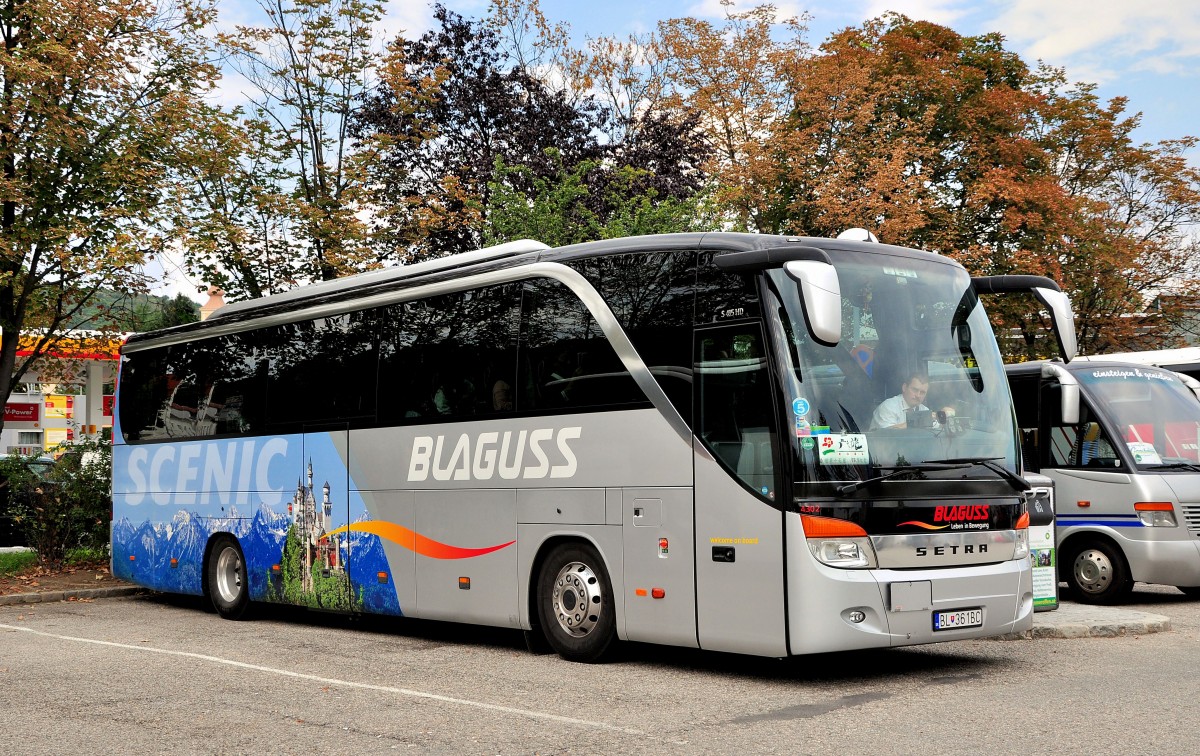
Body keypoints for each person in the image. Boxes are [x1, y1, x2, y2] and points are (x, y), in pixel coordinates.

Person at [870, 371, 954, 430]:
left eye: (922, 392)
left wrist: (945, 418)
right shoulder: (888, 407)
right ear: (904, 387)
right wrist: (920, 421)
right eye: (914, 390)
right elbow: (888, 434)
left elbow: (938, 429)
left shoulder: (924, 410)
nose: (918, 395)